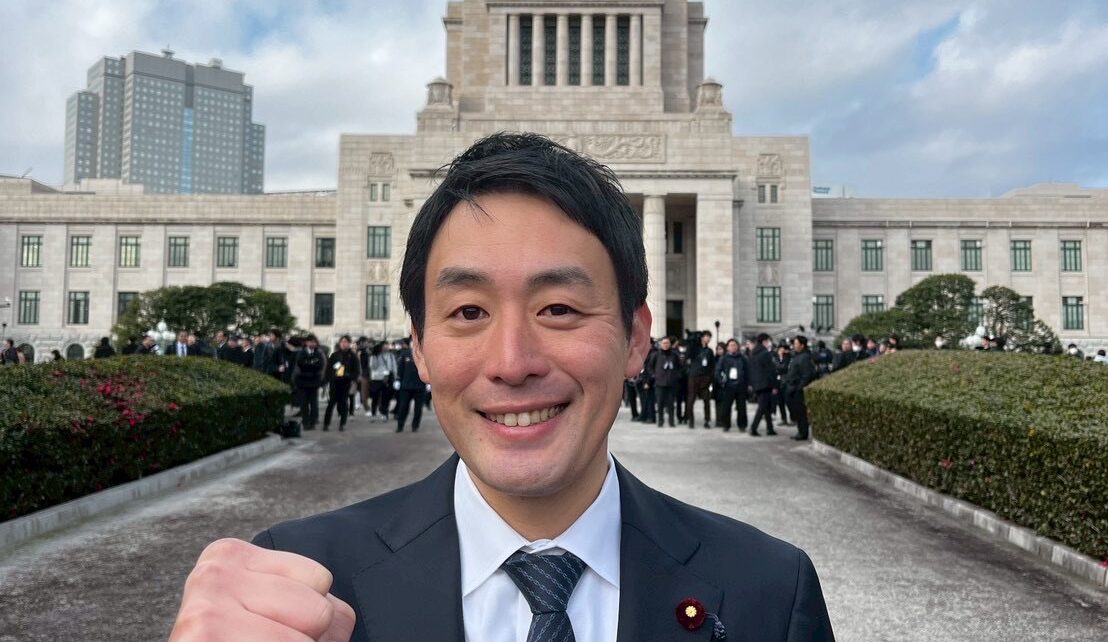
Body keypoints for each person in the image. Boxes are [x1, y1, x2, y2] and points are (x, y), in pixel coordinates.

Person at [168, 132, 833, 642]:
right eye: (468, 312)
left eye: (559, 309)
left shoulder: (770, 594)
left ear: (636, 338)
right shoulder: (299, 585)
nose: (513, 363)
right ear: (419, 347)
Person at [323, 335, 360, 432]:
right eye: (342, 342)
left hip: (346, 382)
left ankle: (342, 424)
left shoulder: (352, 356)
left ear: (349, 343)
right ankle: (326, 423)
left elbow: (356, 371)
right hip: (335, 382)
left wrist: (351, 377)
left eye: (346, 342)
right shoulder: (334, 355)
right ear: (339, 343)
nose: (344, 344)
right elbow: (329, 368)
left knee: (344, 403)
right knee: (331, 403)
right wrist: (328, 379)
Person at [783, 336, 817, 441]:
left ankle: (803, 432)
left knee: (801, 412)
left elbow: (806, 375)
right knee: (796, 411)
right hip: (792, 387)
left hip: (798, 388)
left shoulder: (805, 357)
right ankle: (800, 431)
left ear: (802, 345)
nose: (794, 346)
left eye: (796, 344)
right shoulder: (796, 356)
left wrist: (799, 387)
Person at [714, 338, 749, 432]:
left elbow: (748, 371)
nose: (733, 347)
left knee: (741, 407)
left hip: (740, 385)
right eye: (731, 345)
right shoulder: (723, 358)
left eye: (734, 345)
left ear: (737, 347)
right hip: (728, 385)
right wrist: (722, 381)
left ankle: (742, 425)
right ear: (727, 347)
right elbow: (717, 371)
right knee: (726, 407)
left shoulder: (742, 358)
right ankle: (726, 425)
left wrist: (747, 384)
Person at [393, 337, 426, 432]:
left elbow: (428, 369)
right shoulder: (405, 354)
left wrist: (429, 382)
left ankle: (415, 426)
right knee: (403, 407)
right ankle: (400, 425)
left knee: (418, 409)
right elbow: (400, 368)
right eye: (413, 342)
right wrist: (398, 380)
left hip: (420, 386)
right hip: (406, 386)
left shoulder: (424, 354)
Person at [748, 333, 778, 436]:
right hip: (766, 384)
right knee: (762, 407)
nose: (769, 343)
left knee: (767, 407)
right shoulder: (766, 353)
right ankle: (753, 428)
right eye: (768, 341)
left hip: (757, 384)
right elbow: (771, 371)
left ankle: (770, 428)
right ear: (764, 341)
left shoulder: (753, 353)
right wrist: (775, 385)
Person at [294, 335, 326, 430]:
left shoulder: (318, 353)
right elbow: (300, 363)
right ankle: (305, 422)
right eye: (310, 341)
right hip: (302, 381)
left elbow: (320, 365)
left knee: (314, 403)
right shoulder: (301, 352)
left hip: (314, 382)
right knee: (304, 403)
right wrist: (312, 363)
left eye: (314, 342)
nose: (312, 343)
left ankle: (313, 422)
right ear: (306, 342)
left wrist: (309, 363)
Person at [647, 336, 679, 427]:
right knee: (660, 403)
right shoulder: (656, 355)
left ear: (670, 344)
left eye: (667, 343)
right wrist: (654, 375)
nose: (666, 345)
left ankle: (671, 421)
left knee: (671, 404)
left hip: (671, 383)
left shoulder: (674, 355)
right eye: (664, 343)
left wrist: (676, 375)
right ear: (661, 344)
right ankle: (660, 421)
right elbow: (649, 367)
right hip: (660, 383)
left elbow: (680, 367)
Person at [686, 330, 715, 428]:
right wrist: (692, 339)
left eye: (709, 337)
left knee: (706, 400)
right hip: (694, 377)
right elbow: (688, 354)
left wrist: (710, 378)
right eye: (707, 336)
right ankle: (691, 420)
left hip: (705, 378)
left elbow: (712, 366)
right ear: (702, 337)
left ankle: (707, 420)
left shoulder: (709, 351)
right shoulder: (695, 349)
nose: (708, 339)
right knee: (691, 400)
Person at [772, 343, 792, 426]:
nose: (781, 351)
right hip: (777, 383)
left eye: (783, 350)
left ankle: (793, 418)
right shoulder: (774, 358)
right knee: (780, 402)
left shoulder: (788, 358)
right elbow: (777, 368)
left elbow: (784, 368)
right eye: (780, 349)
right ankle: (784, 419)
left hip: (786, 382)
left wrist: (780, 368)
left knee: (788, 401)